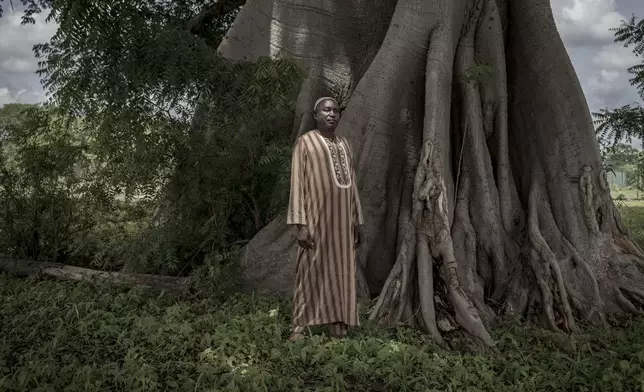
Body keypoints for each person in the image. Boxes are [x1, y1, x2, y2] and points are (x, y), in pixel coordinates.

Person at [286, 97, 364, 341]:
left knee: (341, 271)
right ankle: (299, 327)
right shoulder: (305, 143)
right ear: (316, 115)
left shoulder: (345, 145)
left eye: (336, 111)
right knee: (310, 270)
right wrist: (301, 225)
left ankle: (338, 325)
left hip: (343, 225)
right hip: (316, 221)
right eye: (326, 110)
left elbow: (351, 186)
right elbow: (297, 184)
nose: (332, 114)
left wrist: (357, 220)